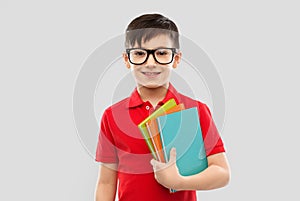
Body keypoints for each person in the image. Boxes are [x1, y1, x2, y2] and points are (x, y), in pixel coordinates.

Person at [94, 13, 230, 201]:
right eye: (140, 53)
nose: (151, 63)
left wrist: (179, 182)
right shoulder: (112, 116)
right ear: (127, 60)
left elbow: (222, 172)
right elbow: (106, 183)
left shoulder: (195, 110)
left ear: (176, 58)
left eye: (162, 53)